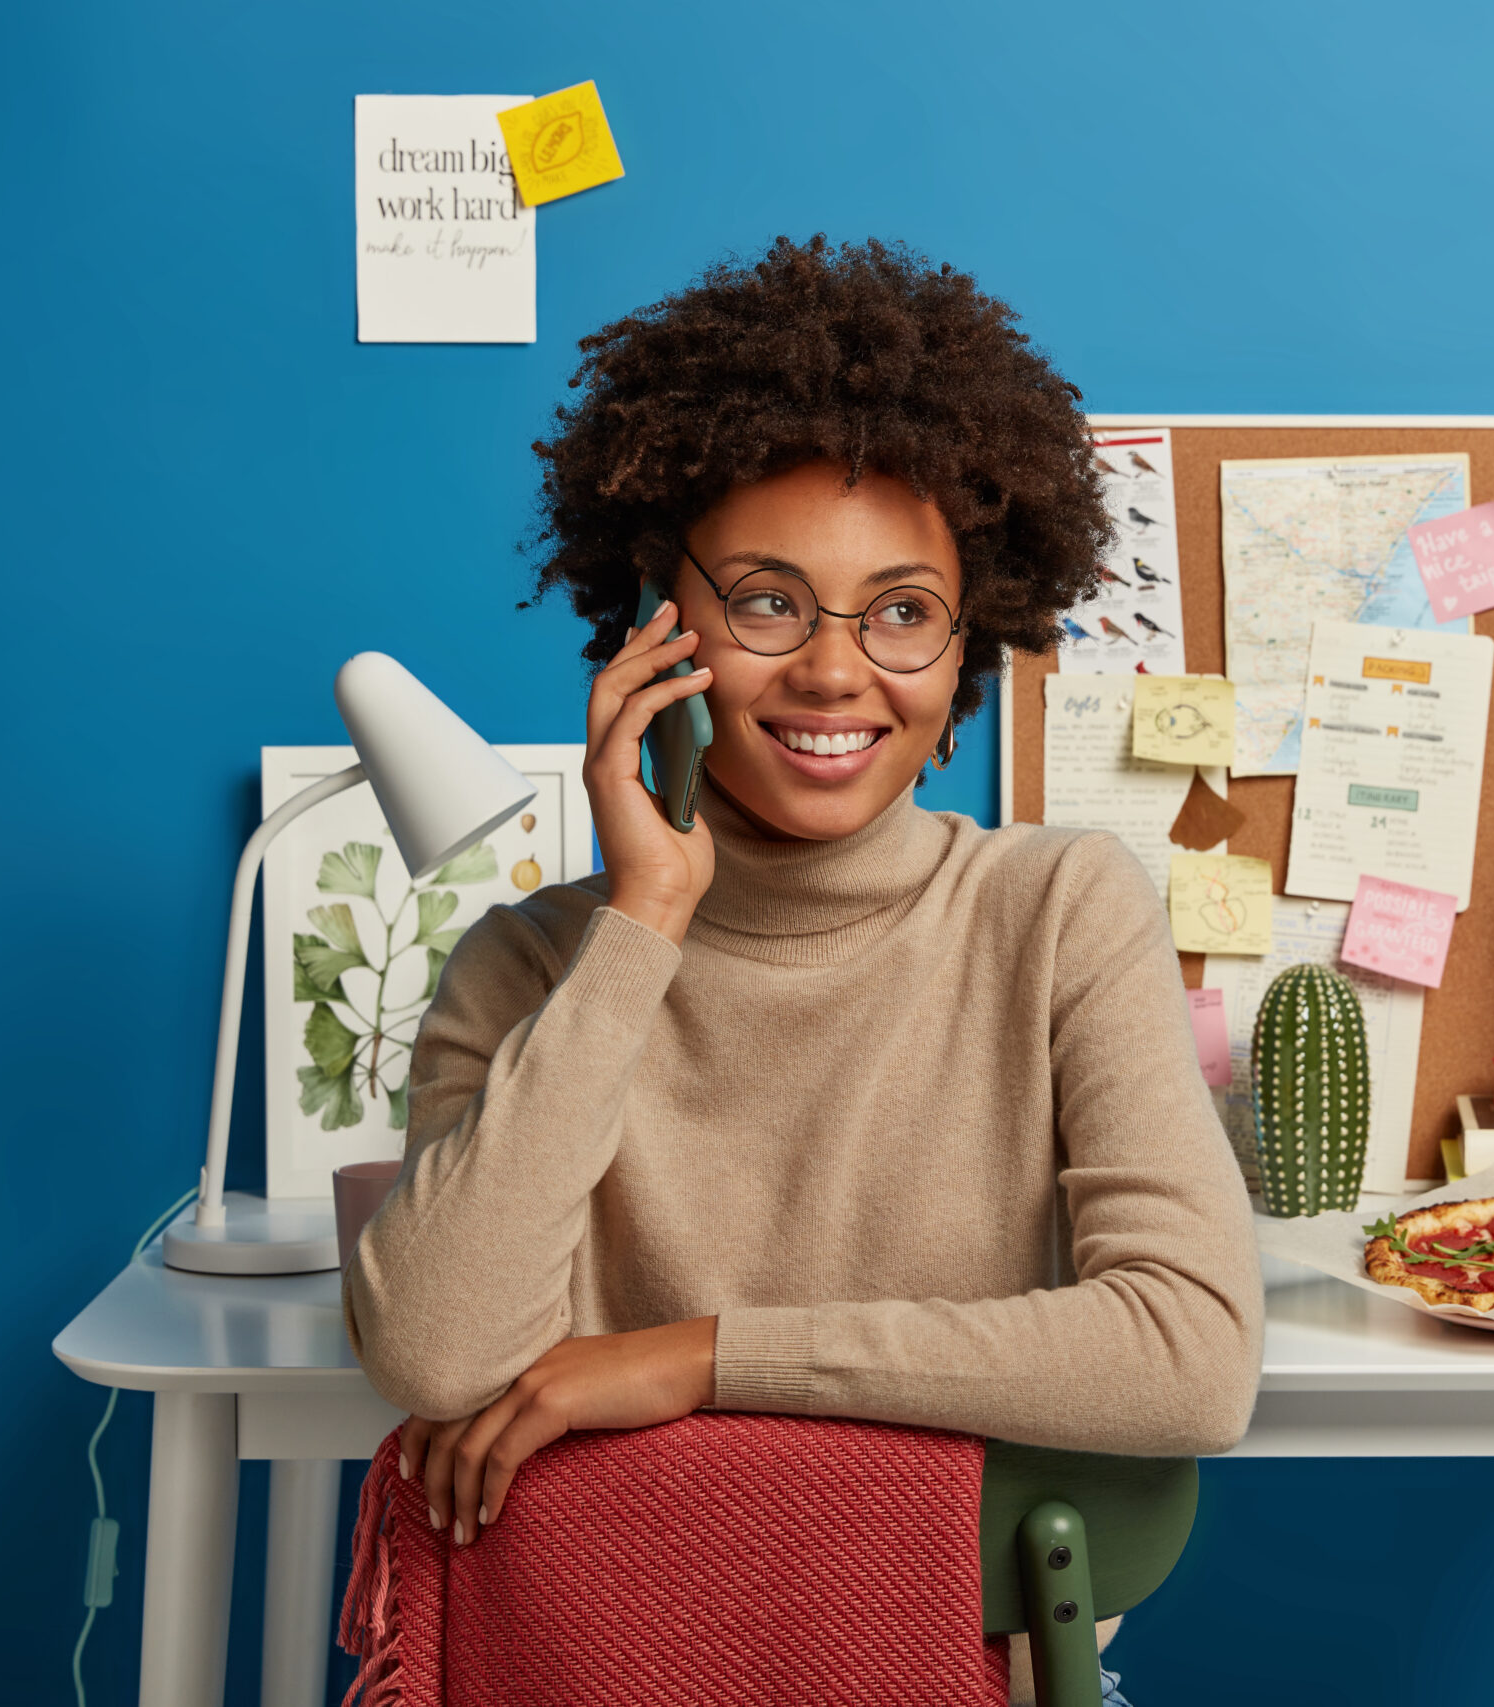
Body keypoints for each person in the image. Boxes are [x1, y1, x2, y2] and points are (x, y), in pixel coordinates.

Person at [344, 237, 1263, 1702]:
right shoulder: (534, 965)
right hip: (607, 1660)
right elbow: (437, 1354)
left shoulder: (1058, 911)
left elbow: (1193, 1355)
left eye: (902, 612)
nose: (838, 672)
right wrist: (642, 924)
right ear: (661, 629)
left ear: (962, 664)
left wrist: (694, 1359)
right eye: (769, 602)